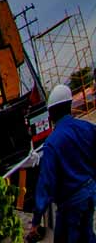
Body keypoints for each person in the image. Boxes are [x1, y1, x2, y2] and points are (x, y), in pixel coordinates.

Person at [28, 84, 96, 243]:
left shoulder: (52, 143)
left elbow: (46, 183)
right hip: (90, 192)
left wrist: (36, 220)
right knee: (87, 235)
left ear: (50, 114)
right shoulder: (86, 128)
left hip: (72, 203)